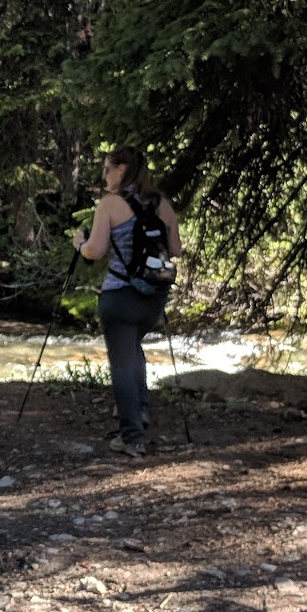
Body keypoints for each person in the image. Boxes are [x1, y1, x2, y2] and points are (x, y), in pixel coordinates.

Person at [75, 147, 182, 457]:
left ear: (122, 170)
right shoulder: (161, 203)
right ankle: (142, 410)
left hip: (120, 296)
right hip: (153, 297)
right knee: (134, 350)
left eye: (108, 169)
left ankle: (131, 437)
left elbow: (95, 251)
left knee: (122, 363)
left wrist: (80, 244)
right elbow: (175, 249)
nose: (104, 176)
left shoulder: (110, 204)